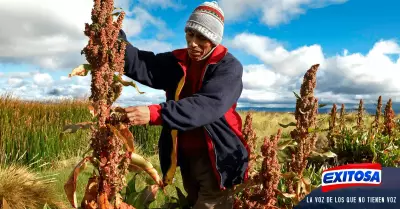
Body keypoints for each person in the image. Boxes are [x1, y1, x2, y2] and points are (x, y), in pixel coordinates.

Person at [119, 1, 249, 208]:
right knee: (193, 201)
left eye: (202, 38)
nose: (193, 43)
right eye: (190, 34)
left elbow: (207, 105)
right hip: (187, 155)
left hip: (217, 155)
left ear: (214, 40)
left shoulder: (228, 67)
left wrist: (155, 113)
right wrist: (115, 38)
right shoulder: (178, 60)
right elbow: (143, 65)